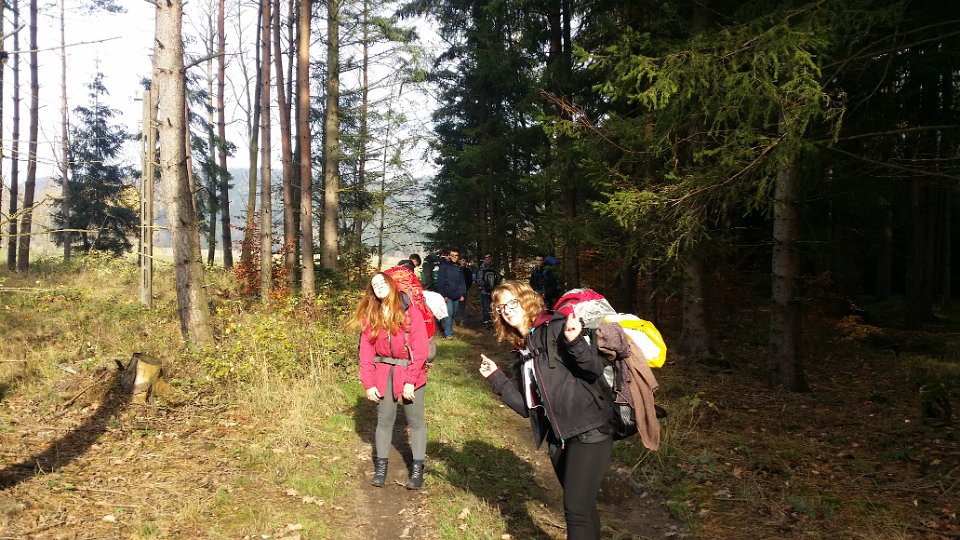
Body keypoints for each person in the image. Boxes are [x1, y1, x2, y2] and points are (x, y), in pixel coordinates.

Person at [478, 281, 613, 539]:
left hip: (589, 429)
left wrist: (575, 342)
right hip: (558, 438)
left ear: (526, 300)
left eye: (512, 303)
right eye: (500, 307)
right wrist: (496, 377)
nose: (506, 310)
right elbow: (526, 408)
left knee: (576, 510)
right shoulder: (522, 350)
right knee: (582, 509)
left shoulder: (555, 327)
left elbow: (594, 369)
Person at [348, 272, 430, 490]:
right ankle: (381, 469)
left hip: (411, 371)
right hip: (383, 372)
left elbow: (420, 348)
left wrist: (411, 380)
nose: (378, 286)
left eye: (382, 282)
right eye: (374, 285)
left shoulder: (410, 311)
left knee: (415, 421)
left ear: (391, 284)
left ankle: (417, 470)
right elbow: (366, 351)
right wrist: (368, 383)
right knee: (384, 420)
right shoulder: (372, 315)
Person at [436, 248, 466, 339]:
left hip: (457, 294)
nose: (454, 257)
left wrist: (462, 294)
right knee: (449, 313)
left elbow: (462, 282)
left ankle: (449, 330)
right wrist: (443, 295)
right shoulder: (444, 266)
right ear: (449, 256)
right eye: (452, 255)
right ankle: (448, 333)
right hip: (447, 295)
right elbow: (440, 282)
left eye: (456, 255)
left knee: (453, 313)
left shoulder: (459, 267)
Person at [475, 253, 501, 325]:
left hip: (493, 290)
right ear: (484, 258)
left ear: (491, 258)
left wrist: (496, 285)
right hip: (484, 291)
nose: (488, 259)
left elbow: (498, 277)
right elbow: (478, 279)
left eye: (489, 257)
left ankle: (492, 321)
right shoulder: (481, 268)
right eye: (486, 257)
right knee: (486, 306)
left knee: (493, 306)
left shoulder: (494, 267)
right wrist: (484, 285)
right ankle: (486, 321)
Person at [457, 256, 473, 325]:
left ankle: (461, 320)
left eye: (465, 261)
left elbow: (470, 282)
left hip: (464, 291)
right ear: (460, 261)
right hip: (455, 290)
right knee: (456, 305)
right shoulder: (456, 269)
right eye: (463, 260)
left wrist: (466, 288)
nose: (464, 262)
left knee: (462, 305)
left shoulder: (468, 271)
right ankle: (456, 320)